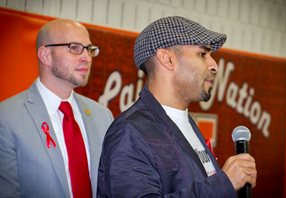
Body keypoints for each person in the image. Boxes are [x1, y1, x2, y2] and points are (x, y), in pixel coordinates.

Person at [98, 16, 257, 197]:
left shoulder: (184, 122)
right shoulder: (130, 132)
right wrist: (224, 183)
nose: (214, 66)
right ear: (167, 59)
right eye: (202, 54)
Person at [0, 19, 113, 198]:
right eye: (74, 47)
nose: (86, 57)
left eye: (90, 49)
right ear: (45, 55)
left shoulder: (103, 116)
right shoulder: (7, 118)